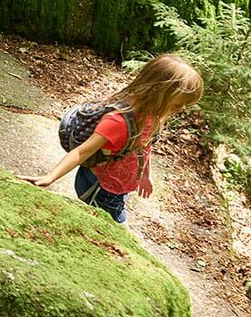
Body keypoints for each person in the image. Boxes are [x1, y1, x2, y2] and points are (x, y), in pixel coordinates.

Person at [22, 54, 204, 224]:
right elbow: (82, 151)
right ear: (159, 94)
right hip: (102, 189)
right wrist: (50, 177)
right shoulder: (119, 122)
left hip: (118, 188)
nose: (181, 109)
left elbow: (144, 148)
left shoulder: (154, 116)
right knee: (111, 228)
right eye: (178, 104)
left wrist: (144, 176)